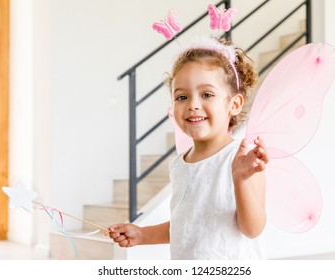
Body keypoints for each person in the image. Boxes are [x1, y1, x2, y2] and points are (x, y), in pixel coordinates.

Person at [106, 36, 269, 259]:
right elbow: (188, 225)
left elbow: (253, 229)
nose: (192, 104)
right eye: (181, 96)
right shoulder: (179, 163)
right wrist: (143, 235)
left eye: (207, 94)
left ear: (234, 104)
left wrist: (241, 180)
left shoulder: (242, 160)